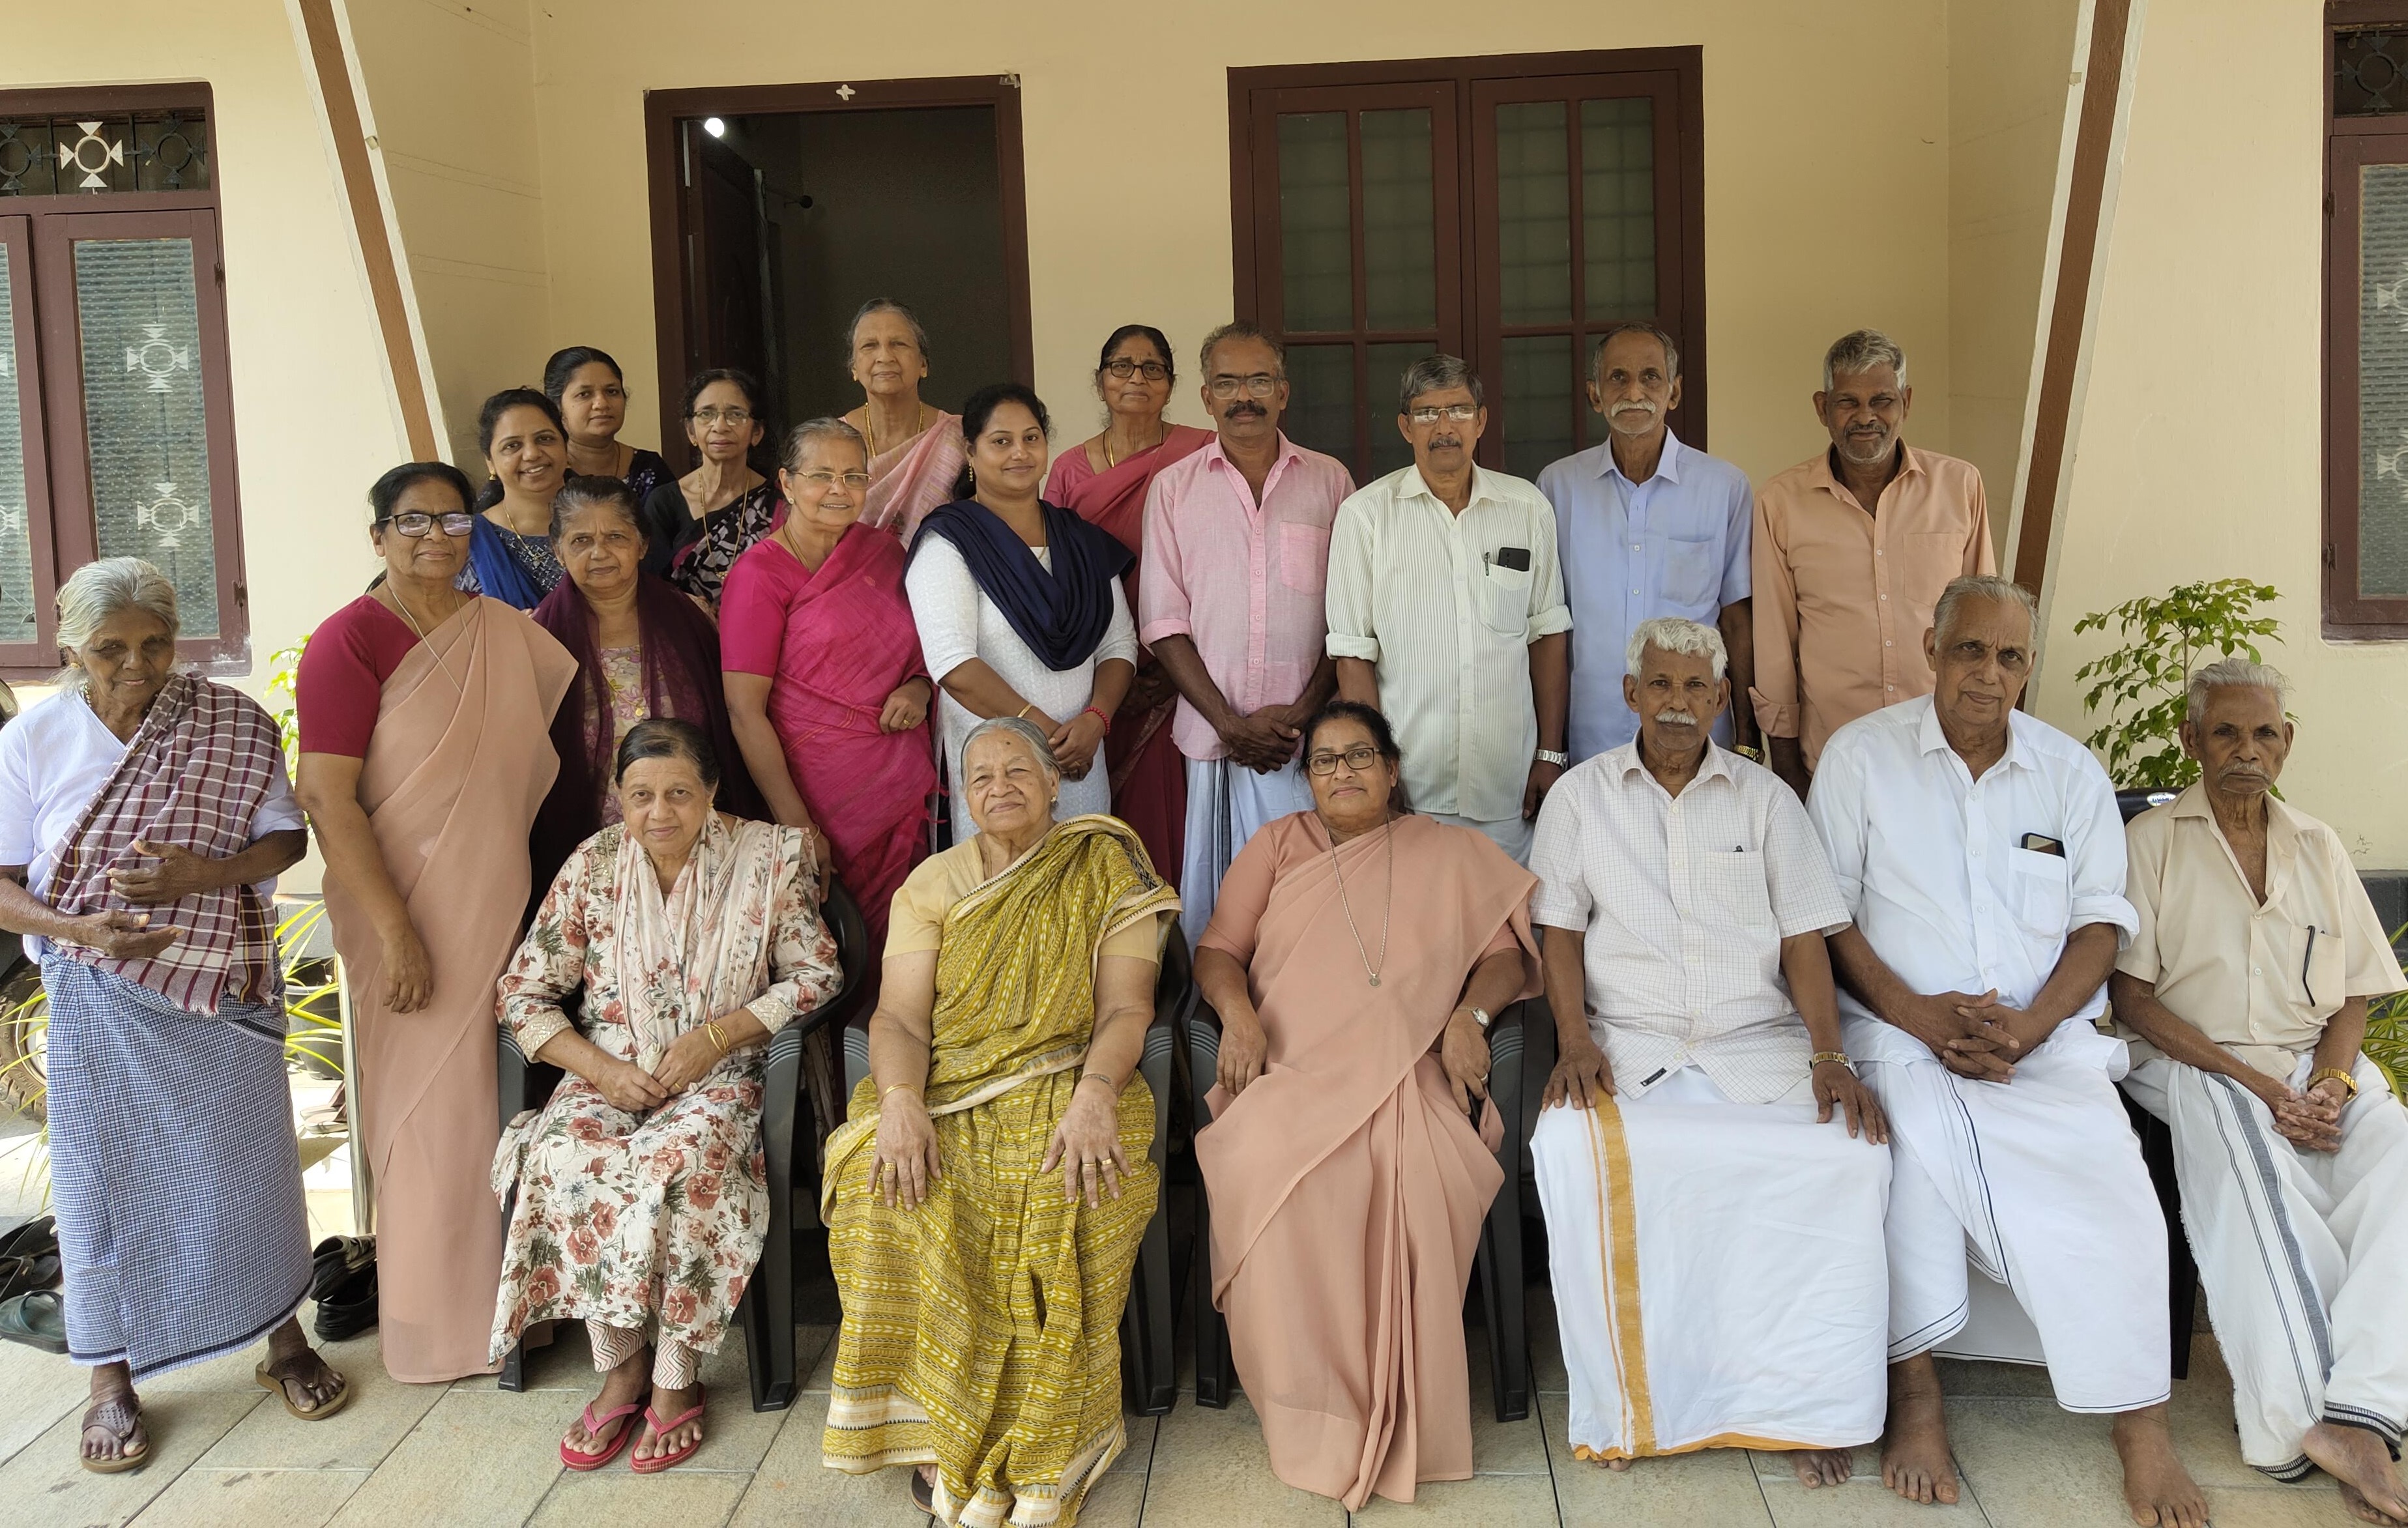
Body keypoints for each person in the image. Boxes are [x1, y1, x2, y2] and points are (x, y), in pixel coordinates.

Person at [1806, 575, 2205, 1527]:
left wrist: (2027, 1029)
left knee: (2113, 1177)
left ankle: (2139, 1423)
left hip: (2042, 1041)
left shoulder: (2065, 771)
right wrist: (1915, 1015)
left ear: (2029, 667)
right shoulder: (1859, 759)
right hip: (1899, 1034)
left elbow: (2099, 929)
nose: (1988, 673)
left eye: (2010, 656)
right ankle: (1916, 1394)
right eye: (1970, 650)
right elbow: (1825, 918)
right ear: (1929, 647)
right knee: (1897, 1151)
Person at [0, 558, 346, 1472]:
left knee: (252, 1169)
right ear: (72, 647)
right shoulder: (33, 740)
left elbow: (283, 835)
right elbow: (2, 885)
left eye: (154, 644)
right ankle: (110, 1377)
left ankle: (283, 1341)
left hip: (216, 991)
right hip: (91, 994)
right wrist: (78, 927)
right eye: (110, 648)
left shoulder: (229, 723)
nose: (136, 665)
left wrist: (200, 874)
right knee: (96, 1191)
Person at [1527, 616, 1889, 1484]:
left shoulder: (1766, 799)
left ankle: (1801, 1407)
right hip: (1632, 1046)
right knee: (1574, 1153)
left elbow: (1805, 937)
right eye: (1660, 685)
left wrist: (1828, 1056)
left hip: (1753, 1048)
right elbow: (1558, 936)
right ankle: (1628, 1406)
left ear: (1722, 700)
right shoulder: (1579, 798)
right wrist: (1572, 1040)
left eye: (1695, 688)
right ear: (1629, 695)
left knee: (1848, 1164)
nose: (1678, 704)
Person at [819, 716, 1180, 1521]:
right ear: (962, 795)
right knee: (885, 1189)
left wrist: (1093, 1096)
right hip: (942, 1086)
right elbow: (901, 1019)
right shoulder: (933, 884)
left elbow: (1127, 1007)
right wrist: (903, 1104)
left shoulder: (1103, 866)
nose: (1000, 786)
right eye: (979, 776)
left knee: (1067, 1195)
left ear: (1056, 782)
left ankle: (1042, 1439)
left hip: (1073, 1078)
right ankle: (933, 1428)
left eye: (1017, 769)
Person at [1193, 701, 1537, 1508]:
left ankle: (1397, 1404)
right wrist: (1238, 1015)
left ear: (1390, 770)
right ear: (1306, 778)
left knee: (1417, 1169)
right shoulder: (1276, 847)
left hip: (1406, 1070)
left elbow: (1502, 956)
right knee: (1272, 1164)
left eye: (1358, 756)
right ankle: (1305, 1407)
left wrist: (1468, 1016)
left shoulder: (1450, 851)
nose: (1342, 772)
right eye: (1324, 760)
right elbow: (1216, 951)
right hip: (1287, 1067)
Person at [493, 719, 842, 1474]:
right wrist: (599, 1069)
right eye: (641, 794)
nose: (660, 812)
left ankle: (675, 1378)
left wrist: (717, 1038)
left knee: (683, 1157)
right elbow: (522, 994)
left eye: (680, 792)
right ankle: (620, 1361)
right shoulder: (592, 863)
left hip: (721, 1075)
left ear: (712, 791)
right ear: (618, 795)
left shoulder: (770, 856)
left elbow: (815, 974)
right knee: (559, 1150)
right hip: (607, 1070)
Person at [296, 461, 577, 1384]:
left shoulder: (506, 632)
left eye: (452, 520)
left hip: (498, 898)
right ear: (377, 535)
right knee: (428, 1120)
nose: (432, 537)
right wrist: (396, 933)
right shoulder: (347, 641)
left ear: (475, 533)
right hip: (402, 912)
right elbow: (329, 801)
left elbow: (523, 776)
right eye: (410, 521)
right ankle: (435, 1324)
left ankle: (519, 1313)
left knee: (497, 1105)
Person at [2111, 659, 2408, 1525]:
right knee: (2249, 1162)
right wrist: (2258, 1085)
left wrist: (2327, 1081)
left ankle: (2360, 1408)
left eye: (2262, 733)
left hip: (2305, 1066)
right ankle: (2294, 1424)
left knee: (2394, 1158)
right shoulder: (2152, 842)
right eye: (2225, 732)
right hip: (2192, 1062)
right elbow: (2131, 999)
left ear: (2286, 743)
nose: (2246, 750)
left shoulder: (2316, 843)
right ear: (2189, 741)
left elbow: (2350, 990)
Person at [1141, 321, 1353, 949]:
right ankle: (1221, 1029)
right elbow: (1162, 621)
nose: (1244, 397)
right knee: (1220, 912)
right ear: (1205, 398)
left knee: (1311, 910)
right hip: (1217, 743)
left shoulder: (1330, 482)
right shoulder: (1173, 489)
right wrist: (1230, 724)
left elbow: (1351, 618)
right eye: (1227, 383)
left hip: (1306, 744)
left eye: (1259, 380)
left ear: (1283, 392)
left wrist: (1301, 716)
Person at [1326, 354, 1571, 863]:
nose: (1443, 428)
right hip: (1410, 788)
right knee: (1420, 937)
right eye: (1426, 413)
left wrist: (1549, 754)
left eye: (1458, 410)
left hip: (1509, 789)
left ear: (1481, 421)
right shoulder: (1365, 516)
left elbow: (1547, 636)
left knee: (1509, 932)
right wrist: (1375, 770)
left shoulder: (1526, 508)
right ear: (1404, 426)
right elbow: (1353, 656)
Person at [1752, 329, 1994, 798]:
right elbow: (1775, 642)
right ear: (1822, 407)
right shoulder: (1780, 502)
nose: (1865, 417)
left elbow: (1986, 627)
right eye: (1848, 402)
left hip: (1946, 753)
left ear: (1905, 402)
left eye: (1881, 400)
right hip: (1834, 762)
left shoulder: (1959, 488)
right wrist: (1787, 771)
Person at [723, 419, 934, 949]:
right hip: (814, 786)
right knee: (839, 938)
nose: (839, 490)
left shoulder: (884, 553)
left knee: (910, 927)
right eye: (821, 475)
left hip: (896, 775)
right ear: (787, 483)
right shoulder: (758, 575)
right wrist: (800, 826)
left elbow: (923, 651)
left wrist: (919, 689)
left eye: (853, 476)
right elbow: (745, 711)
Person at [906, 384, 1138, 844]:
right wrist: (1044, 732)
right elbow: (953, 664)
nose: (1020, 452)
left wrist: (1096, 720)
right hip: (997, 772)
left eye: (1032, 438)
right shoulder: (948, 542)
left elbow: (1118, 644)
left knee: (1083, 890)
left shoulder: (1079, 540)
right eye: (1001, 441)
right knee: (1002, 894)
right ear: (970, 452)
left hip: (1079, 763)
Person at [527, 476, 764, 902]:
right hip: (589, 838)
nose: (599, 552)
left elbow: (727, 722)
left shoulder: (692, 619)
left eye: (615, 536)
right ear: (558, 550)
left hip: (689, 824)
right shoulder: (534, 638)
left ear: (641, 544)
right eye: (581, 540)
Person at [1537, 323, 1755, 764]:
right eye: (1617, 377)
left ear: (1673, 393)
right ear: (1594, 394)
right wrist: (1549, 748)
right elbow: (1547, 627)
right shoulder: (1557, 488)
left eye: (1650, 377)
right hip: (1589, 739)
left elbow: (1736, 620)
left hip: (1695, 738)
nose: (1633, 390)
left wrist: (1748, 738)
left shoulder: (1724, 488)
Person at [1044, 324, 1213, 882]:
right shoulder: (1068, 468)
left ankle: (1172, 942)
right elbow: (1052, 570)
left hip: (1187, 659)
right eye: (1122, 366)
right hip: (1098, 665)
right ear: (1100, 382)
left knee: (1172, 815)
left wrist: (1176, 668)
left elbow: (1223, 560)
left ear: (1170, 384)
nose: (1136, 378)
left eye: (1152, 368)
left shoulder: (1203, 451)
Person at [843, 298, 964, 541]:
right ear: (854, 368)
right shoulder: (831, 443)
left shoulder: (958, 437)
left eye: (898, 344)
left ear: (923, 364)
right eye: (869, 346)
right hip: (853, 576)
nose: (885, 356)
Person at [656, 368, 777, 610]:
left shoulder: (778, 502)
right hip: (683, 630)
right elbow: (649, 584)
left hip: (761, 630)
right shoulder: (664, 502)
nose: (720, 426)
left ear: (757, 432)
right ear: (691, 432)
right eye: (706, 414)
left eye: (736, 414)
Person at [545, 347, 675, 566]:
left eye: (612, 391)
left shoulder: (649, 469)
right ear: (557, 406)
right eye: (584, 394)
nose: (602, 403)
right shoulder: (547, 473)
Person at [461, 388, 572, 609]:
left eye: (545, 439)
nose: (532, 454)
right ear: (490, 462)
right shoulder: (469, 545)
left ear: (565, 446)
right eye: (512, 446)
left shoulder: (607, 517)